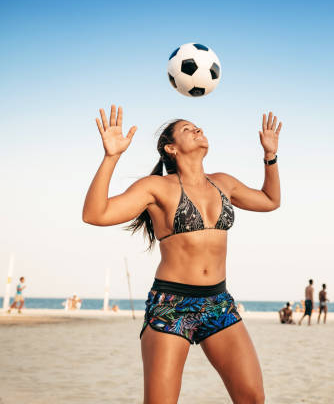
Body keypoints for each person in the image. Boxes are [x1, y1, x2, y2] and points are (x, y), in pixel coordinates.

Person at [83, 105, 282, 403]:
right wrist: (111, 157)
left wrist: (270, 157)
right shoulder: (156, 187)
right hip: (171, 305)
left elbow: (270, 200)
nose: (198, 130)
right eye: (188, 129)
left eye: (198, 127)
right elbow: (95, 214)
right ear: (171, 148)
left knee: (252, 398)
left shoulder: (223, 182)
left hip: (218, 303)